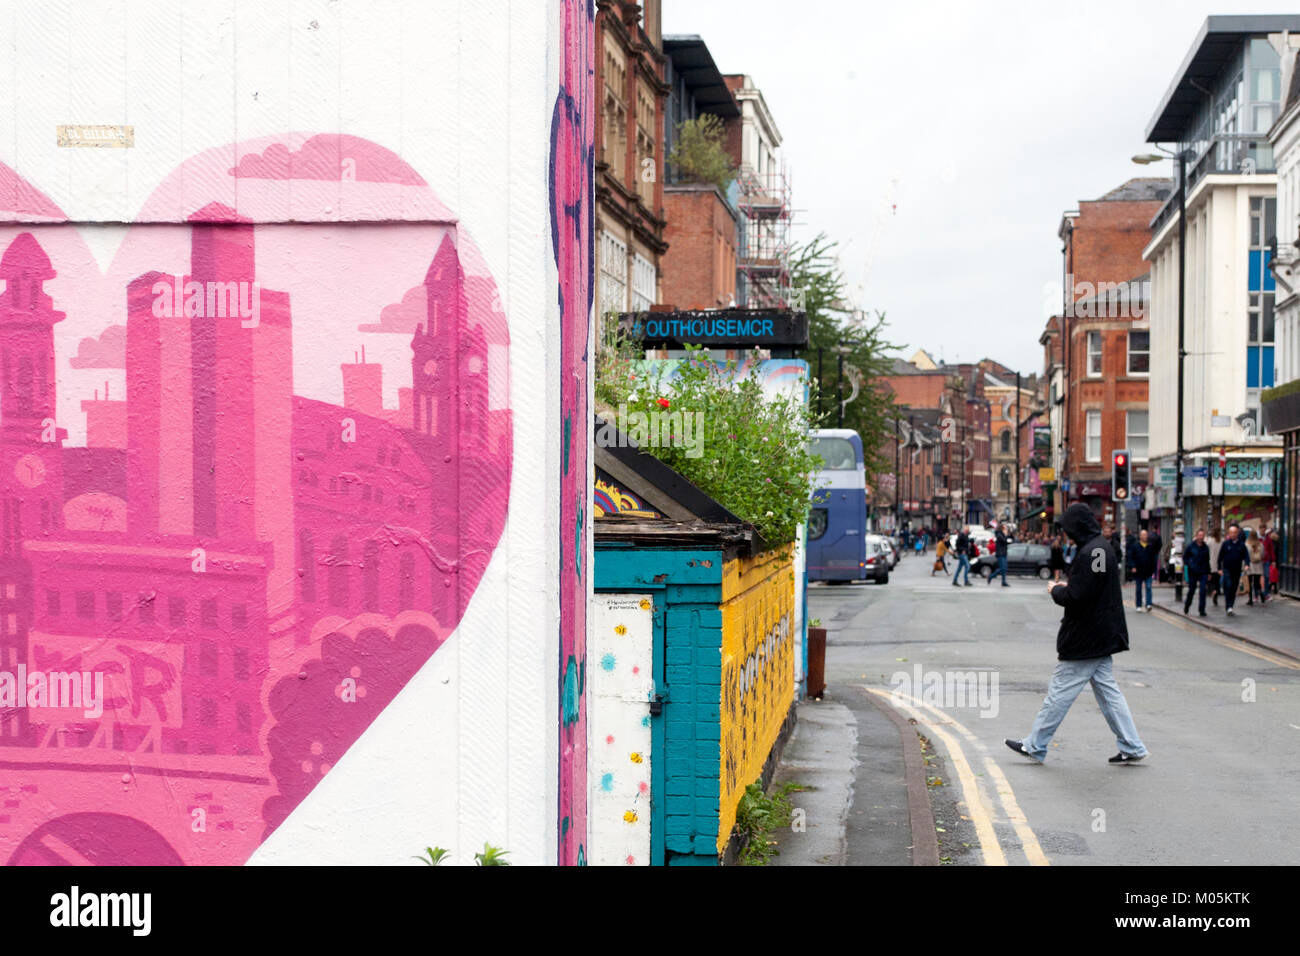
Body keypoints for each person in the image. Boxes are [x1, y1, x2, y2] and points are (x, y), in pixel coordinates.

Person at [1005, 503, 1148, 765]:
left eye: (1069, 529)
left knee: (1059, 694)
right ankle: (1132, 745)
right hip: (1101, 634)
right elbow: (1093, 587)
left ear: (1078, 527)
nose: (1067, 535)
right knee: (1109, 695)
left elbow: (1079, 596)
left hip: (1086, 638)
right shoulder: (1100, 548)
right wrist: (1072, 586)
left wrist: (1057, 590)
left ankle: (1035, 745)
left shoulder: (1093, 551)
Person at [1217, 523, 1250, 617]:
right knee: (1228, 585)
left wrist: (1247, 564)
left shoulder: (1241, 545)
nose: (1233, 534)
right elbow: (1220, 557)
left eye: (1234, 532)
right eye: (1231, 532)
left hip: (1237, 570)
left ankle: (1230, 606)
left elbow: (1246, 556)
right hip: (1227, 569)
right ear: (1229, 533)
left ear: (1237, 533)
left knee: (1234, 588)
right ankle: (1228, 607)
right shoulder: (1226, 544)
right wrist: (1219, 568)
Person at [1126, 528, 1157, 612]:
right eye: (1143, 535)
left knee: (1148, 587)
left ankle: (1148, 604)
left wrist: (1154, 569)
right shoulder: (1135, 546)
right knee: (1138, 589)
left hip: (1148, 571)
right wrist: (1133, 566)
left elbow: (1154, 559)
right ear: (1140, 536)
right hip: (1138, 571)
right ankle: (1138, 605)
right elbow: (1130, 557)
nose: (1144, 536)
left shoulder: (1150, 546)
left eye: (1146, 535)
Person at [1183, 528, 1211, 617]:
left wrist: (1209, 572)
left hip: (1203, 571)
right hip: (1193, 572)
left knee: (1203, 590)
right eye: (1199, 535)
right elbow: (1185, 557)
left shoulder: (1206, 547)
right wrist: (1189, 564)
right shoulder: (1191, 546)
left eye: (1202, 535)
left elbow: (1207, 560)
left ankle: (1202, 610)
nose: (1201, 537)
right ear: (1196, 536)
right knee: (1192, 590)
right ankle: (1187, 605)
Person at [1246, 528, 1265, 606]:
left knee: (1249, 583)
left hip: (1250, 565)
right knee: (1257, 582)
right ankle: (1261, 593)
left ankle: (1250, 599)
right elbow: (1263, 555)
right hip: (1258, 565)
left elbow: (1245, 556)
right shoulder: (1260, 545)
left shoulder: (1247, 544)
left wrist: (1244, 565)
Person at [1207, 527, 1222, 606]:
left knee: (1210, 580)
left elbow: (1206, 552)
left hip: (1211, 564)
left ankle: (1213, 590)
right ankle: (1215, 596)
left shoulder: (1209, 541)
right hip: (1219, 565)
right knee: (1217, 581)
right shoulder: (1221, 541)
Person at [1260, 525, 1275, 600]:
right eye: (1262, 529)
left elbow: (1271, 550)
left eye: (1264, 529)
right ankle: (1257, 593)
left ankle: (1266, 593)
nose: (1263, 531)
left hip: (1266, 560)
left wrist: (1273, 560)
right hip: (1258, 561)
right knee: (1258, 577)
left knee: (1266, 576)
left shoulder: (1268, 539)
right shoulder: (1258, 538)